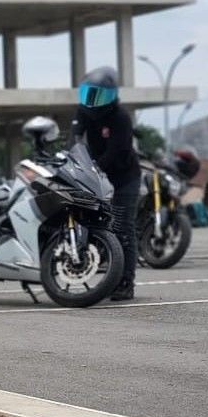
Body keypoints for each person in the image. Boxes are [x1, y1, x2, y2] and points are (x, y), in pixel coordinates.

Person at [72, 66, 140, 301]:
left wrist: (94, 167)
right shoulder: (82, 112)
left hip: (124, 177)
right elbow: (75, 138)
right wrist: (71, 158)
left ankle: (125, 283)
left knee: (123, 227)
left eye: (98, 95)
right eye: (88, 93)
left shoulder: (120, 117)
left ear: (111, 95)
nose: (92, 100)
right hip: (95, 174)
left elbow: (116, 152)